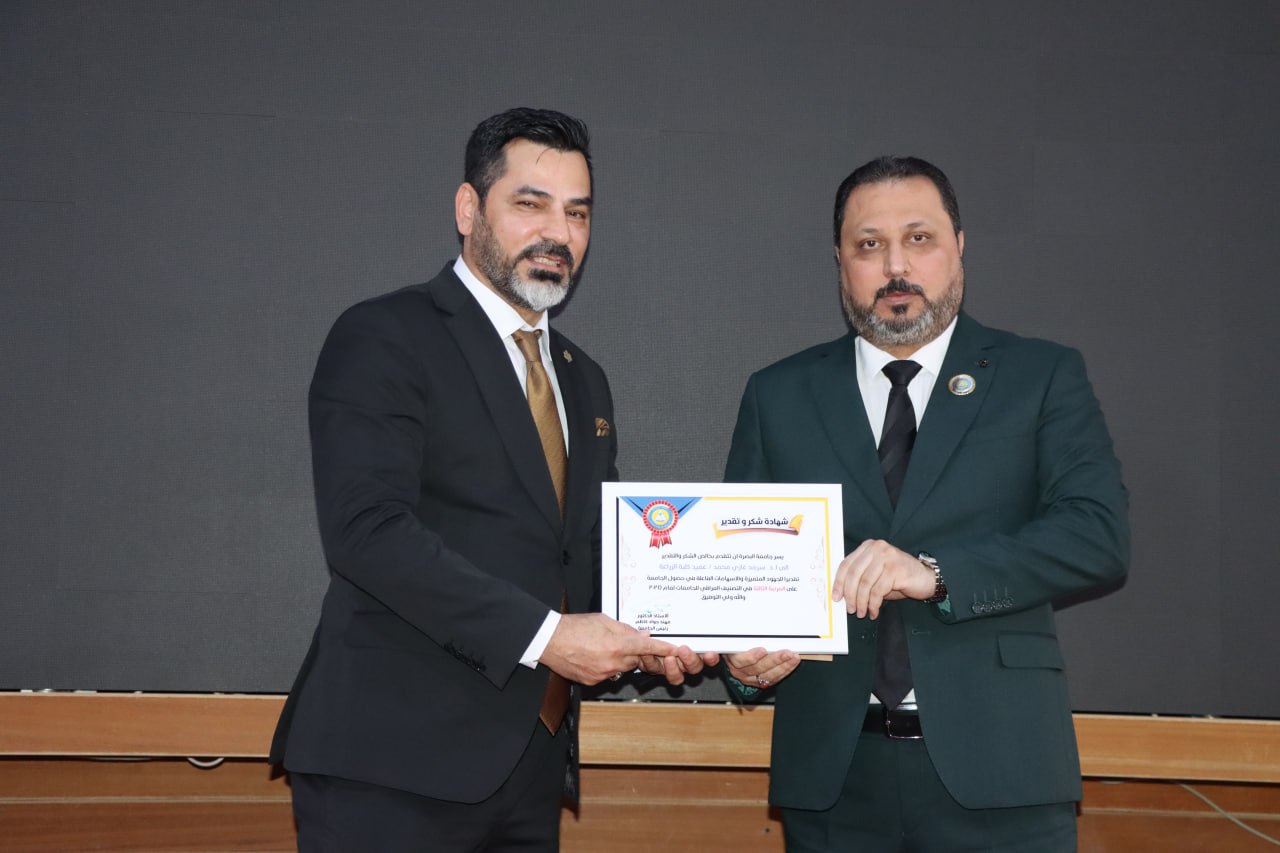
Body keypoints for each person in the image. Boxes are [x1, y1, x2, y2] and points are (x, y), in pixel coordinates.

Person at [270, 107, 715, 852]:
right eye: (531, 203)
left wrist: (667, 635)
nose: (558, 233)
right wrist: (547, 638)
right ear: (468, 208)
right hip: (391, 766)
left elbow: (588, 558)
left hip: (530, 770)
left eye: (578, 212)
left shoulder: (583, 379)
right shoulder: (386, 334)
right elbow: (366, 531)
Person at [721, 155, 1129, 851]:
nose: (895, 266)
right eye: (869, 244)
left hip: (1003, 770)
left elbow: (1097, 536)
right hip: (833, 781)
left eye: (919, 238)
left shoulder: (1040, 375)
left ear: (959, 247)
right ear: (840, 261)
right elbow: (742, 572)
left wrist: (936, 573)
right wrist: (742, 661)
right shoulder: (778, 393)